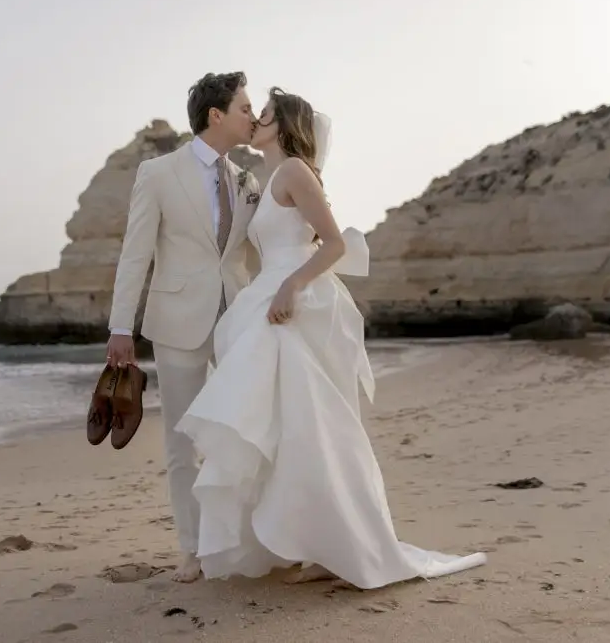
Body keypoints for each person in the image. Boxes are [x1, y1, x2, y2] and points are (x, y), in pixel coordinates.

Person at [172, 87, 488, 588]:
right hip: (270, 300)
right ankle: (313, 543)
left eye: (266, 115)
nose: (256, 120)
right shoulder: (264, 178)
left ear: (286, 126)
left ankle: (343, 545)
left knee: (314, 423)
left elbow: (336, 243)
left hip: (299, 304)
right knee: (287, 427)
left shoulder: (295, 172)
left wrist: (290, 287)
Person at [106, 71, 260, 583]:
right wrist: (120, 327)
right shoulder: (158, 173)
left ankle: (248, 537)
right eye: (244, 106)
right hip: (176, 322)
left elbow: (256, 253)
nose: (253, 115)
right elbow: (136, 255)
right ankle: (192, 550)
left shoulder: (248, 180)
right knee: (180, 443)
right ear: (215, 115)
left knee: (247, 431)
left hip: (237, 320)